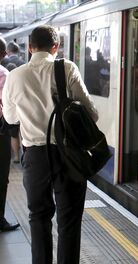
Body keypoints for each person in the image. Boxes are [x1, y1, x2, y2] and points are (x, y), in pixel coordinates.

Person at [2, 25, 98, 264]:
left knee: (38, 217)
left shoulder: (15, 75)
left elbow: (11, 119)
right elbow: (91, 114)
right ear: (56, 47)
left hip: (35, 157)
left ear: (31, 47)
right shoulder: (66, 68)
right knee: (69, 221)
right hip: (69, 155)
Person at [0, 37, 20, 233]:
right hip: (0, 131)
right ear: (3, 54)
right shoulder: (3, 73)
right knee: (1, 176)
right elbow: (6, 106)